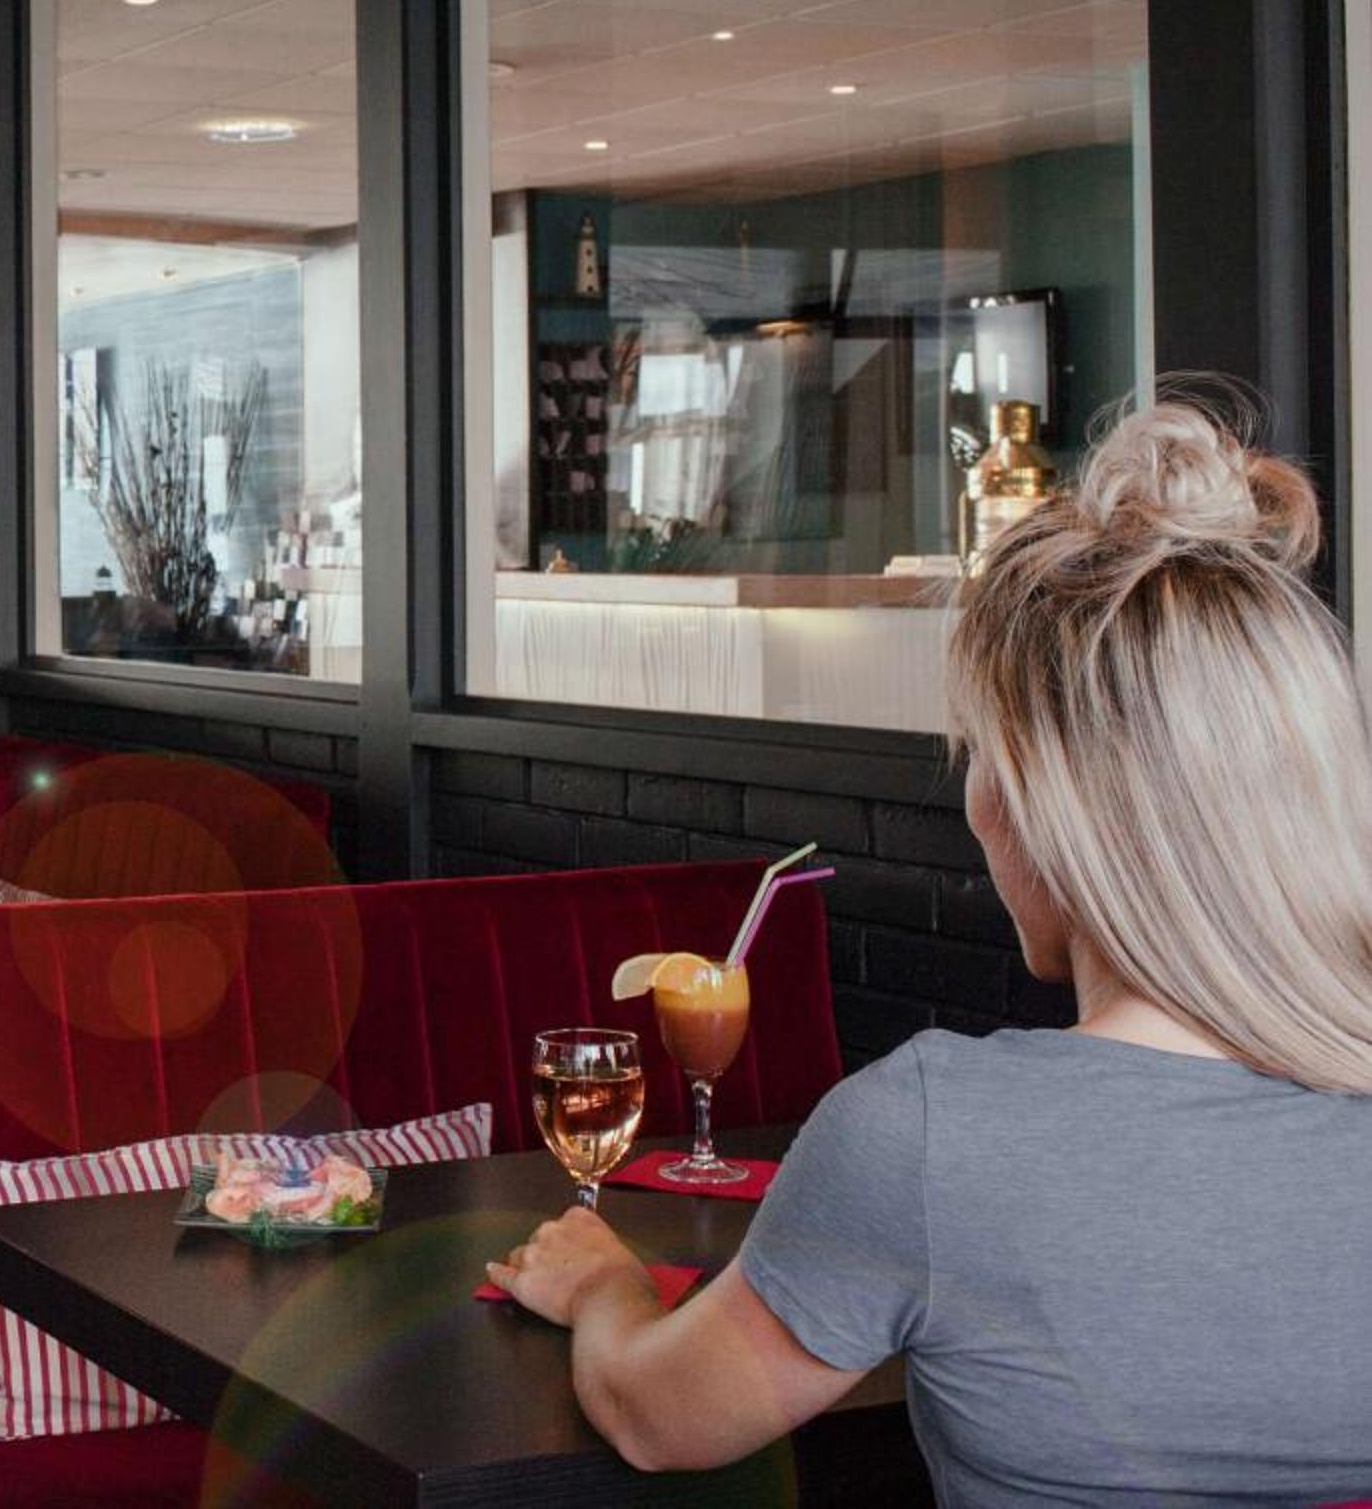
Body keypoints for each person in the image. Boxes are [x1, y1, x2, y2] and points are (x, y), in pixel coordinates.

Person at [484, 399, 1372, 1504]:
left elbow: (658, 1419)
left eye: (978, 756)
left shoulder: (930, 1134)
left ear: (1036, 805)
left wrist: (601, 1288)